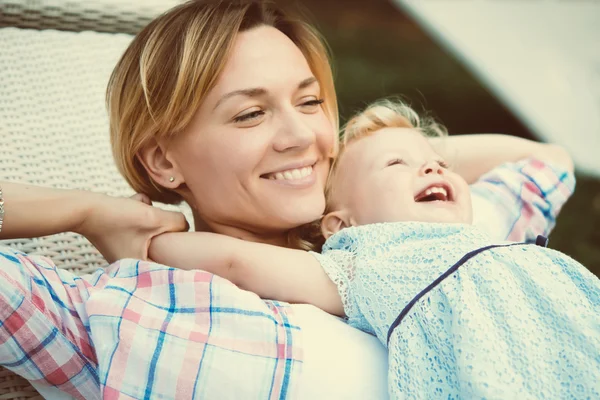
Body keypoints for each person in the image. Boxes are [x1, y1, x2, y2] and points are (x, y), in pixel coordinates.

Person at [0, 0, 576, 398]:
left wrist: (374, 154)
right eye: (251, 113)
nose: (302, 137)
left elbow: (545, 162)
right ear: (163, 161)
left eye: (308, 103)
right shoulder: (127, 314)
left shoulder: (417, 232)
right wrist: (85, 211)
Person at [149, 100, 600, 399]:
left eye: (441, 164)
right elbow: (238, 262)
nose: (431, 165)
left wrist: (407, 148)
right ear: (343, 224)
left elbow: (547, 160)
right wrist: (154, 240)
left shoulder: (484, 225)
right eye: (396, 164)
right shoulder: (365, 264)